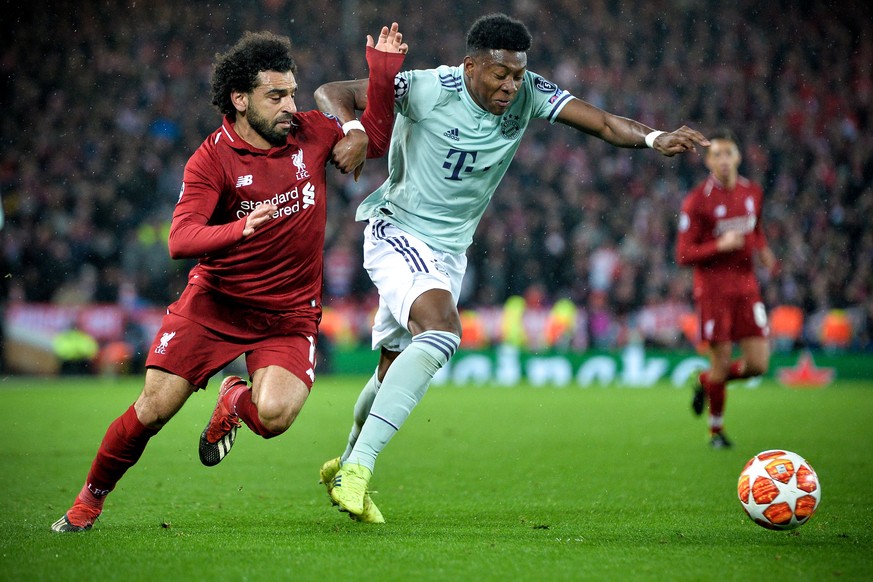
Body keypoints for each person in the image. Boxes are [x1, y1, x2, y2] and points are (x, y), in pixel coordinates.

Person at [313, 12, 709, 522]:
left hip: (449, 253)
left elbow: (606, 124)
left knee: (393, 367)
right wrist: (353, 129)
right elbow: (331, 91)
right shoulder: (428, 87)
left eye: (518, 74)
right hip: (399, 230)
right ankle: (360, 467)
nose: (510, 85)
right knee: (441, 333)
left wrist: (655, 139)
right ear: (471, 65)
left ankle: (343, 461)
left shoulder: (529, 93)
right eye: (500, 74)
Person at [50, 24, 408, 533]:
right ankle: (88, 501)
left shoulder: (311, 133)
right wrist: (241, 227)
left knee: (276, 416)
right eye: (276, 95)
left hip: (286, 315)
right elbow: (181, 238)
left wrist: (382, 69)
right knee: (153, 409)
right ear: (240, 99)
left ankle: (231, 397)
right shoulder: (211, 158)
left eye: (292, 93)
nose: (290, 105)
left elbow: (375, 136)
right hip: (215, 305)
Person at [676, 128, 776, 448]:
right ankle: (715, 431)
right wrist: (718, 245)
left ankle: (707, 382)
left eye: (727, 153)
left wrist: (763, 249)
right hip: (713, 290)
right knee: (721, 361)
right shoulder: (697, 202)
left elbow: (755, 228)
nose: (723, 160)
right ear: (707, 161)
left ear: (738, 157)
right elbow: (683, 254)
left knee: (758, 365)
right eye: (716, 154)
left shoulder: (753, 192)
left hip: (747, 287)